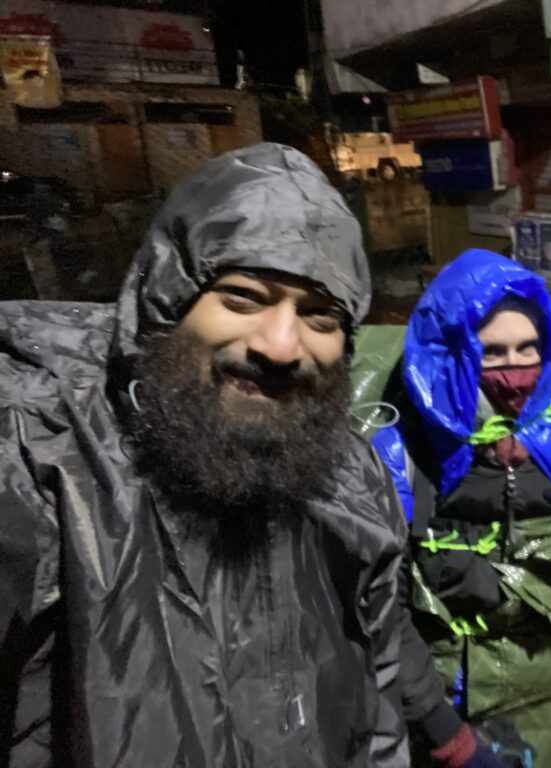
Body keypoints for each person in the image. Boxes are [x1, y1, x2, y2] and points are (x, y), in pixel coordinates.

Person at [0, 144, 505, 768]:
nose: (281, 344)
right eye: (242, 298)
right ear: (166, 300)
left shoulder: (349, 478)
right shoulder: (38, 456)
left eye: (320, 316)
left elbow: (374, 704)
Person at [369, 249, 551, 767]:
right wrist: (444, 733)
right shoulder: (400, 450)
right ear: (450, 352)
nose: (514, 372)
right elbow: (381, 609)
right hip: (441, 699)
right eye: (490, 352)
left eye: (529, 348)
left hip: (549, 690)